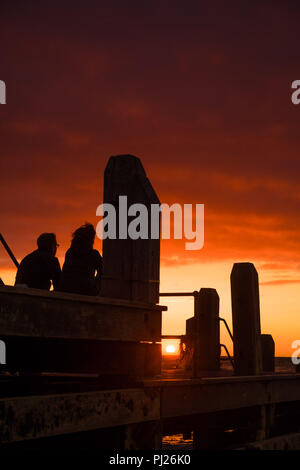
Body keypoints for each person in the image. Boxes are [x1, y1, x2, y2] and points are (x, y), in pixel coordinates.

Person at [58, 223, 102, 296]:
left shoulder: (69, 252)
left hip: (65, 290)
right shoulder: (93, 255)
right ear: (90, 240)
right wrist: (95, 284)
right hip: (85, 292)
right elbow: (102, 273)